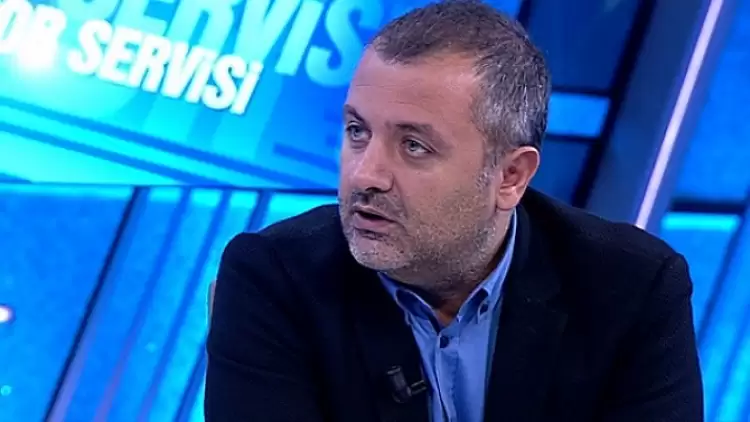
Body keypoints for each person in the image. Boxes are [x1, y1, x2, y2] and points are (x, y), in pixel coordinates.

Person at [204, 1, 703, 421]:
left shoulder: (630, 287)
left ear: (511, 176)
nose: (365, 175)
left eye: (414, 146)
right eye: (358, 131)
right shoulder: (274, 279)